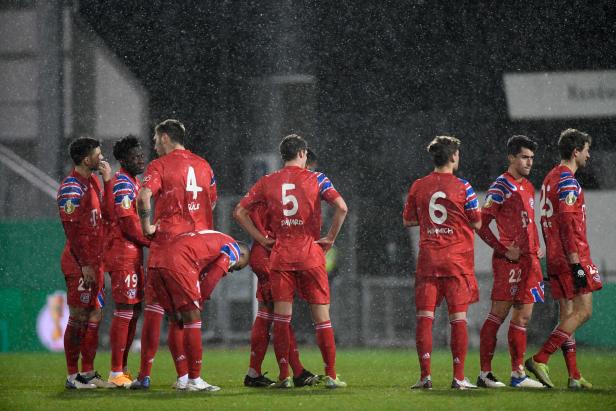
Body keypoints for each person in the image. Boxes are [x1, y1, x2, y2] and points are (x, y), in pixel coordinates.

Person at [234, 134, 348, 389]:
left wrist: (261, 239)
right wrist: (329, 237)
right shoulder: (317, 178)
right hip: (309, 253)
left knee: (281, 319)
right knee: (322, 318)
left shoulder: (267, 181)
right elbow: (342, 207)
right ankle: (331, 375)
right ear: (303, 154)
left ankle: (285, 376)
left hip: (280, 255)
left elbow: (239, 211)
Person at [131, 119, 217, 389]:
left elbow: (144, 197)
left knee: (161, 312)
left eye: (156, 140)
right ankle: (192, 379)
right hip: (194, 249)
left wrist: (147, 227)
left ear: (166, 137)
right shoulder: (204, 165)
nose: (154, 146)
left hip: (164, 247)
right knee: (188, 314)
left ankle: (156, 375)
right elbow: (211, 200)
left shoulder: (160, 166)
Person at [402, 135, 481, 390]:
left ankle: (425, 377)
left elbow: (408, 220)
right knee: (458, 319)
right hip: (456, 261)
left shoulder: (418, 186)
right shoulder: (464, 187)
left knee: (425, 318)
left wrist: (431, 224)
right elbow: (477, 222)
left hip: (429, 261)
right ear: (453, 156)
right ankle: (458, 377)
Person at [525, 129, 602, 389]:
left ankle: (574, 375)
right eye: (586, 150)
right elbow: (568, 222)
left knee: (567, 313)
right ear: (575, 152)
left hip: (556, 258)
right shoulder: (568, 181)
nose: (589, 155)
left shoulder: (550, 178)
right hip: (573, 258)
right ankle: (541, 357)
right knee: (584, 310)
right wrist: (575, 260)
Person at [242, 148, 320, 388]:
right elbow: (246, 212)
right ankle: (294, 372)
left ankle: (255, 372)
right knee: (280, 317)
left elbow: (246, 210)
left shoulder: (271, 183)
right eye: (310, 170)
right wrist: (266, 238)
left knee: (268, 315)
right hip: (270, 253)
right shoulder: (286, 185)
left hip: (265, 251)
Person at [476, 135, 545, 389]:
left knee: (523, 317)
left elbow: (528, 223)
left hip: (530, 262)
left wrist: (537, 248)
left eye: (532, 158)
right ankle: (485, 374)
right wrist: (504, 249)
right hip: (510, 264)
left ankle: (518, 375)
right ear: (511, 158)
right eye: (525, 157)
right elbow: (481, 225)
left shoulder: (527, 186)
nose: (529, 162)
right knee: (498, 315)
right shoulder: (500, 186)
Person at [147, 229, 249, 391]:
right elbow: (214, 275)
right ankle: (194, 380)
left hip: (157, 261)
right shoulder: (235, 249)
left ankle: (183, 378)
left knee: (176, 320)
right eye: (237, 268)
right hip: (179, 261)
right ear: (242, 256)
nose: (230, 271)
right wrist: (200, 301)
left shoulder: (214, 237)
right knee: (193, 318)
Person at [57, 137, 114, 389]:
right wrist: (84, 264)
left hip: (96, 262)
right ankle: (72, 375)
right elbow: (70, 230)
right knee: (78, 316)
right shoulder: (71, 187)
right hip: (80, 264)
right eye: (97, 154)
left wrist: (108, 181)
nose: (101, 158)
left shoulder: (92, 182)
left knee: (95, 313)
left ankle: (88, 373)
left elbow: (107, 215)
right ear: (85, 159)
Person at [103, 136, 151, 387]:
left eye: (142, 155)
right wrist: (150, 240)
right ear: (123, 160)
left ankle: (121, 369)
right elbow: (128, 223)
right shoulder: (122, 183)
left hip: (132, 254)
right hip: (122, 254)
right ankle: (114, 372)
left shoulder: (133, 181)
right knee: (124, 310)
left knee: (134, 311)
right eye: (135, 156)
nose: (141, 159)